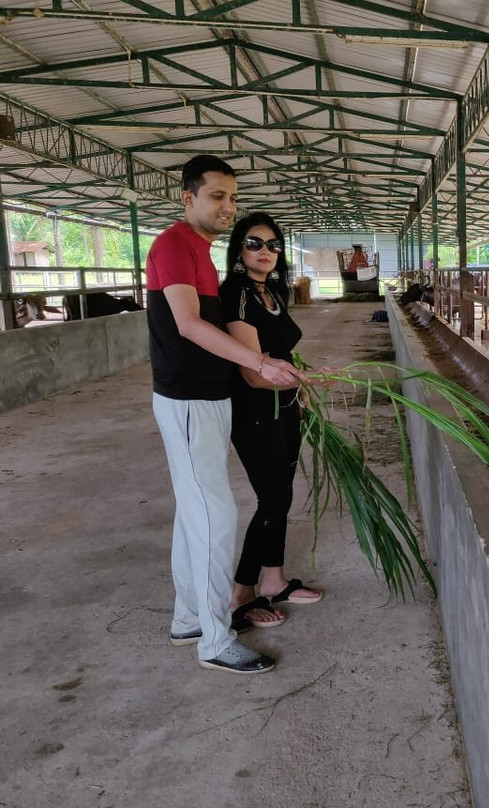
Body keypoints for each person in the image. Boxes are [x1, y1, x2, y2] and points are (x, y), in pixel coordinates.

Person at [147, 155, 306, 675]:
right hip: (189, 398)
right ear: (187, 197)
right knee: (216, 516)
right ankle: (215, 640)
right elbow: (189, 326)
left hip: (209, 399)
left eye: (232, 197)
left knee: (193, 513)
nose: (227, 206)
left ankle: (188, 618)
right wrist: (260, 362)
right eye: (217, 195)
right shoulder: (174, 245)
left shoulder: (202, 253)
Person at [219, 213, 323, 633]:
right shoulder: (238, 293)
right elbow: (251, 371)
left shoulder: (272, 293)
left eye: (273, 245)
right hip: (255, 409)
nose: (266, 252)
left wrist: (303, 389)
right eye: (255, 243)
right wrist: (298, 381)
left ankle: (275, 579)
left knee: (280, 492)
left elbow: (282, 354)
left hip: (284, 404)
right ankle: (241, 591)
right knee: (272, 499)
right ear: (239, 250)